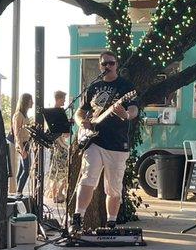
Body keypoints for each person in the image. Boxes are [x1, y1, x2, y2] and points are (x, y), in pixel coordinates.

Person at [69, 50, 138, 233]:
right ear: (100, 66)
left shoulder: (125, 87)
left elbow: (133, 109)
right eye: (104, 64)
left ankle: (111, 223)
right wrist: (81, 122)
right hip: (94, 141)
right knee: (88, 177)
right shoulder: (94, 87)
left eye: (111, 63)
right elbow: (80, 111)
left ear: (117, 65)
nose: (108, 66)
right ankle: (78, 218)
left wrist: (126, 115)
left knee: (113, 187)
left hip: (117, 144)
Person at [46, 90, 71, 203]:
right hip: (59, 147)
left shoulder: (52, 113)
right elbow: (60, 133)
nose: (64, 102)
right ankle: (58, 193)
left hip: (57, 146)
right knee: (63, 170)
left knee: (56, 170)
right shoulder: (58, 113)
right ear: (58, 99)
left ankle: (56, 193)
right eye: (63, 99)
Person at [13, 93, 33, 198]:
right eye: (31, 100)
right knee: (26, 169)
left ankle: (18, 190)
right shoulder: (18, 115)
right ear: (26, 101)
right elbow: (17, 133)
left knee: (22, 169)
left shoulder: (25, 115)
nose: (32, 103)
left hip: (26, 143)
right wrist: (22, 149)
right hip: (22, 144)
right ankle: (19, 191)